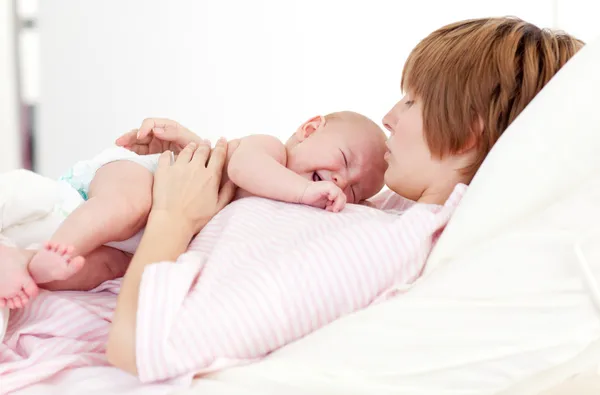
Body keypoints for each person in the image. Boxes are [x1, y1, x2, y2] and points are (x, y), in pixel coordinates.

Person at [102, 17, 583, 377]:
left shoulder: (385, 246)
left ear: (469, 132)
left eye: (412, 101)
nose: (390, 117)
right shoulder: (389, 213)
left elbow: (146, 347)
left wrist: (172, 215)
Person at [0, 111, 387, 309]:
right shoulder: (270, 151)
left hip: (143, 237)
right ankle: (57, 247)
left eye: (354, 188)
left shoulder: (293, 200)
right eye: (343, 160)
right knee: (127, 206)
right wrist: (305, 191)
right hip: (141, 178)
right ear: (310, 128)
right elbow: (238, 168)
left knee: (106, 270)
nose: (339, 181)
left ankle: (27, 265)